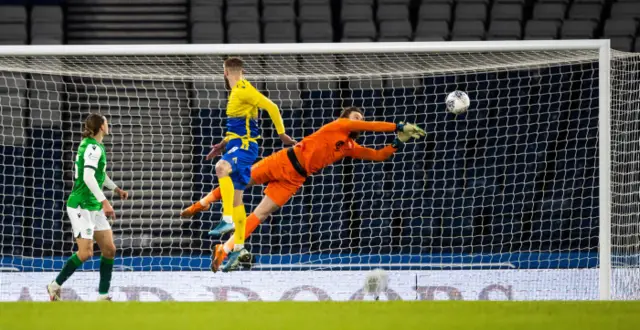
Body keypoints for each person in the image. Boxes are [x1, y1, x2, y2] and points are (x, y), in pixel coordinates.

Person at [186, 107, 425, 272]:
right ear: (345, 119)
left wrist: (399, 140)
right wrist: (398, 125)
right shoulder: (337, 126)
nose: (358, 121)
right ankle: (203, 202)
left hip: (295, 179)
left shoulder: (349, 146)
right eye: (355, 118)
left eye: (359, 118)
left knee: (261, 214)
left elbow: (378, 155)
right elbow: (371, 125)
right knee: (240, 180)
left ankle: (225, 249)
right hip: (284, 160)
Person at [181, 57, 295, 255]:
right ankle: (240, 249)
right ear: (243, 71)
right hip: (236, 144)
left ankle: (227, 219)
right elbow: (239, 126)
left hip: (244, 146)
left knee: (220, 168)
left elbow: (273, 107)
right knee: (237, 199)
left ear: (224, 73)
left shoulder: (243, 90)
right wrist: (222, 144)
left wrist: (282, 134)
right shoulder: (239, 91)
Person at [47, 113, 129, 301]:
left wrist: (115, 189)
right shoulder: (93, 147)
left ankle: (103, 295)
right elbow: (87, 177)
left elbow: (99, 174)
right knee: (86, 253)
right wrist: (105, 202)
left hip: (93, 205)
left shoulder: (95, 146)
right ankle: (54, 285)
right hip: (81, 205)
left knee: (109, 249)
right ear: (101, 127)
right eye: (107, 123)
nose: (109, 125)